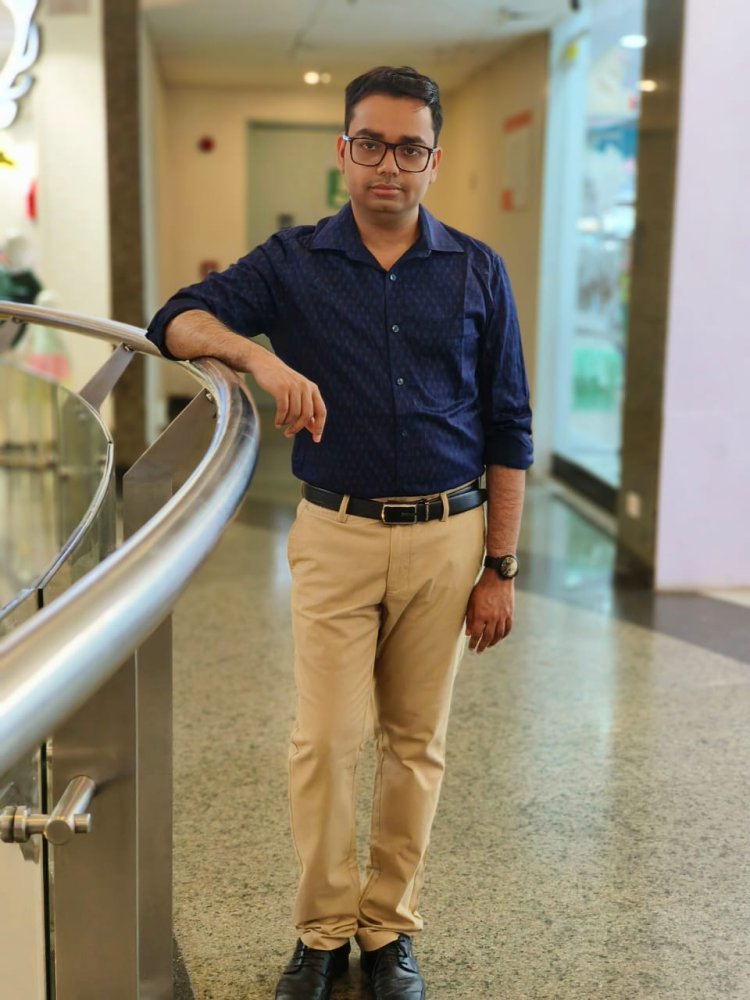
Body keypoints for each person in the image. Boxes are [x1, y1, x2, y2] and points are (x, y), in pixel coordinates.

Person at [147, 65, 532, 1000]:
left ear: (433, 160)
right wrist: (258, 358)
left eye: (408, 148)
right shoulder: (294, 262)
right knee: (323, 740)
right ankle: (321, 931)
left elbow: (509, 424)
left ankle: (387, 930)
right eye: (370, 144)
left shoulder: (477, 269)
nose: (387, 165)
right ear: (343, 151)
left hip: (449, 537)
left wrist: (501, 567)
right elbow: (174, 322)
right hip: (337, 534)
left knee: (415, 743)